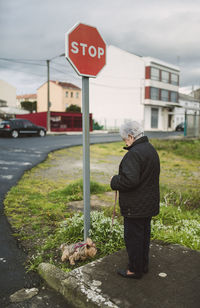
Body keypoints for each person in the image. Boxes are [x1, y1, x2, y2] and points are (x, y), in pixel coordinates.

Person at [110, 121, 160, 279]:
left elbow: (129, 181)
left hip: (135, 206)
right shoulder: (150, 150)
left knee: (133, 239)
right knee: (143, 237)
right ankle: (142, 266)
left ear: (131, 136)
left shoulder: (134, 154)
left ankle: (134, 270)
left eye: (125, 139)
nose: (125, 142)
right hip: (148, 204)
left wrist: (115, 181)